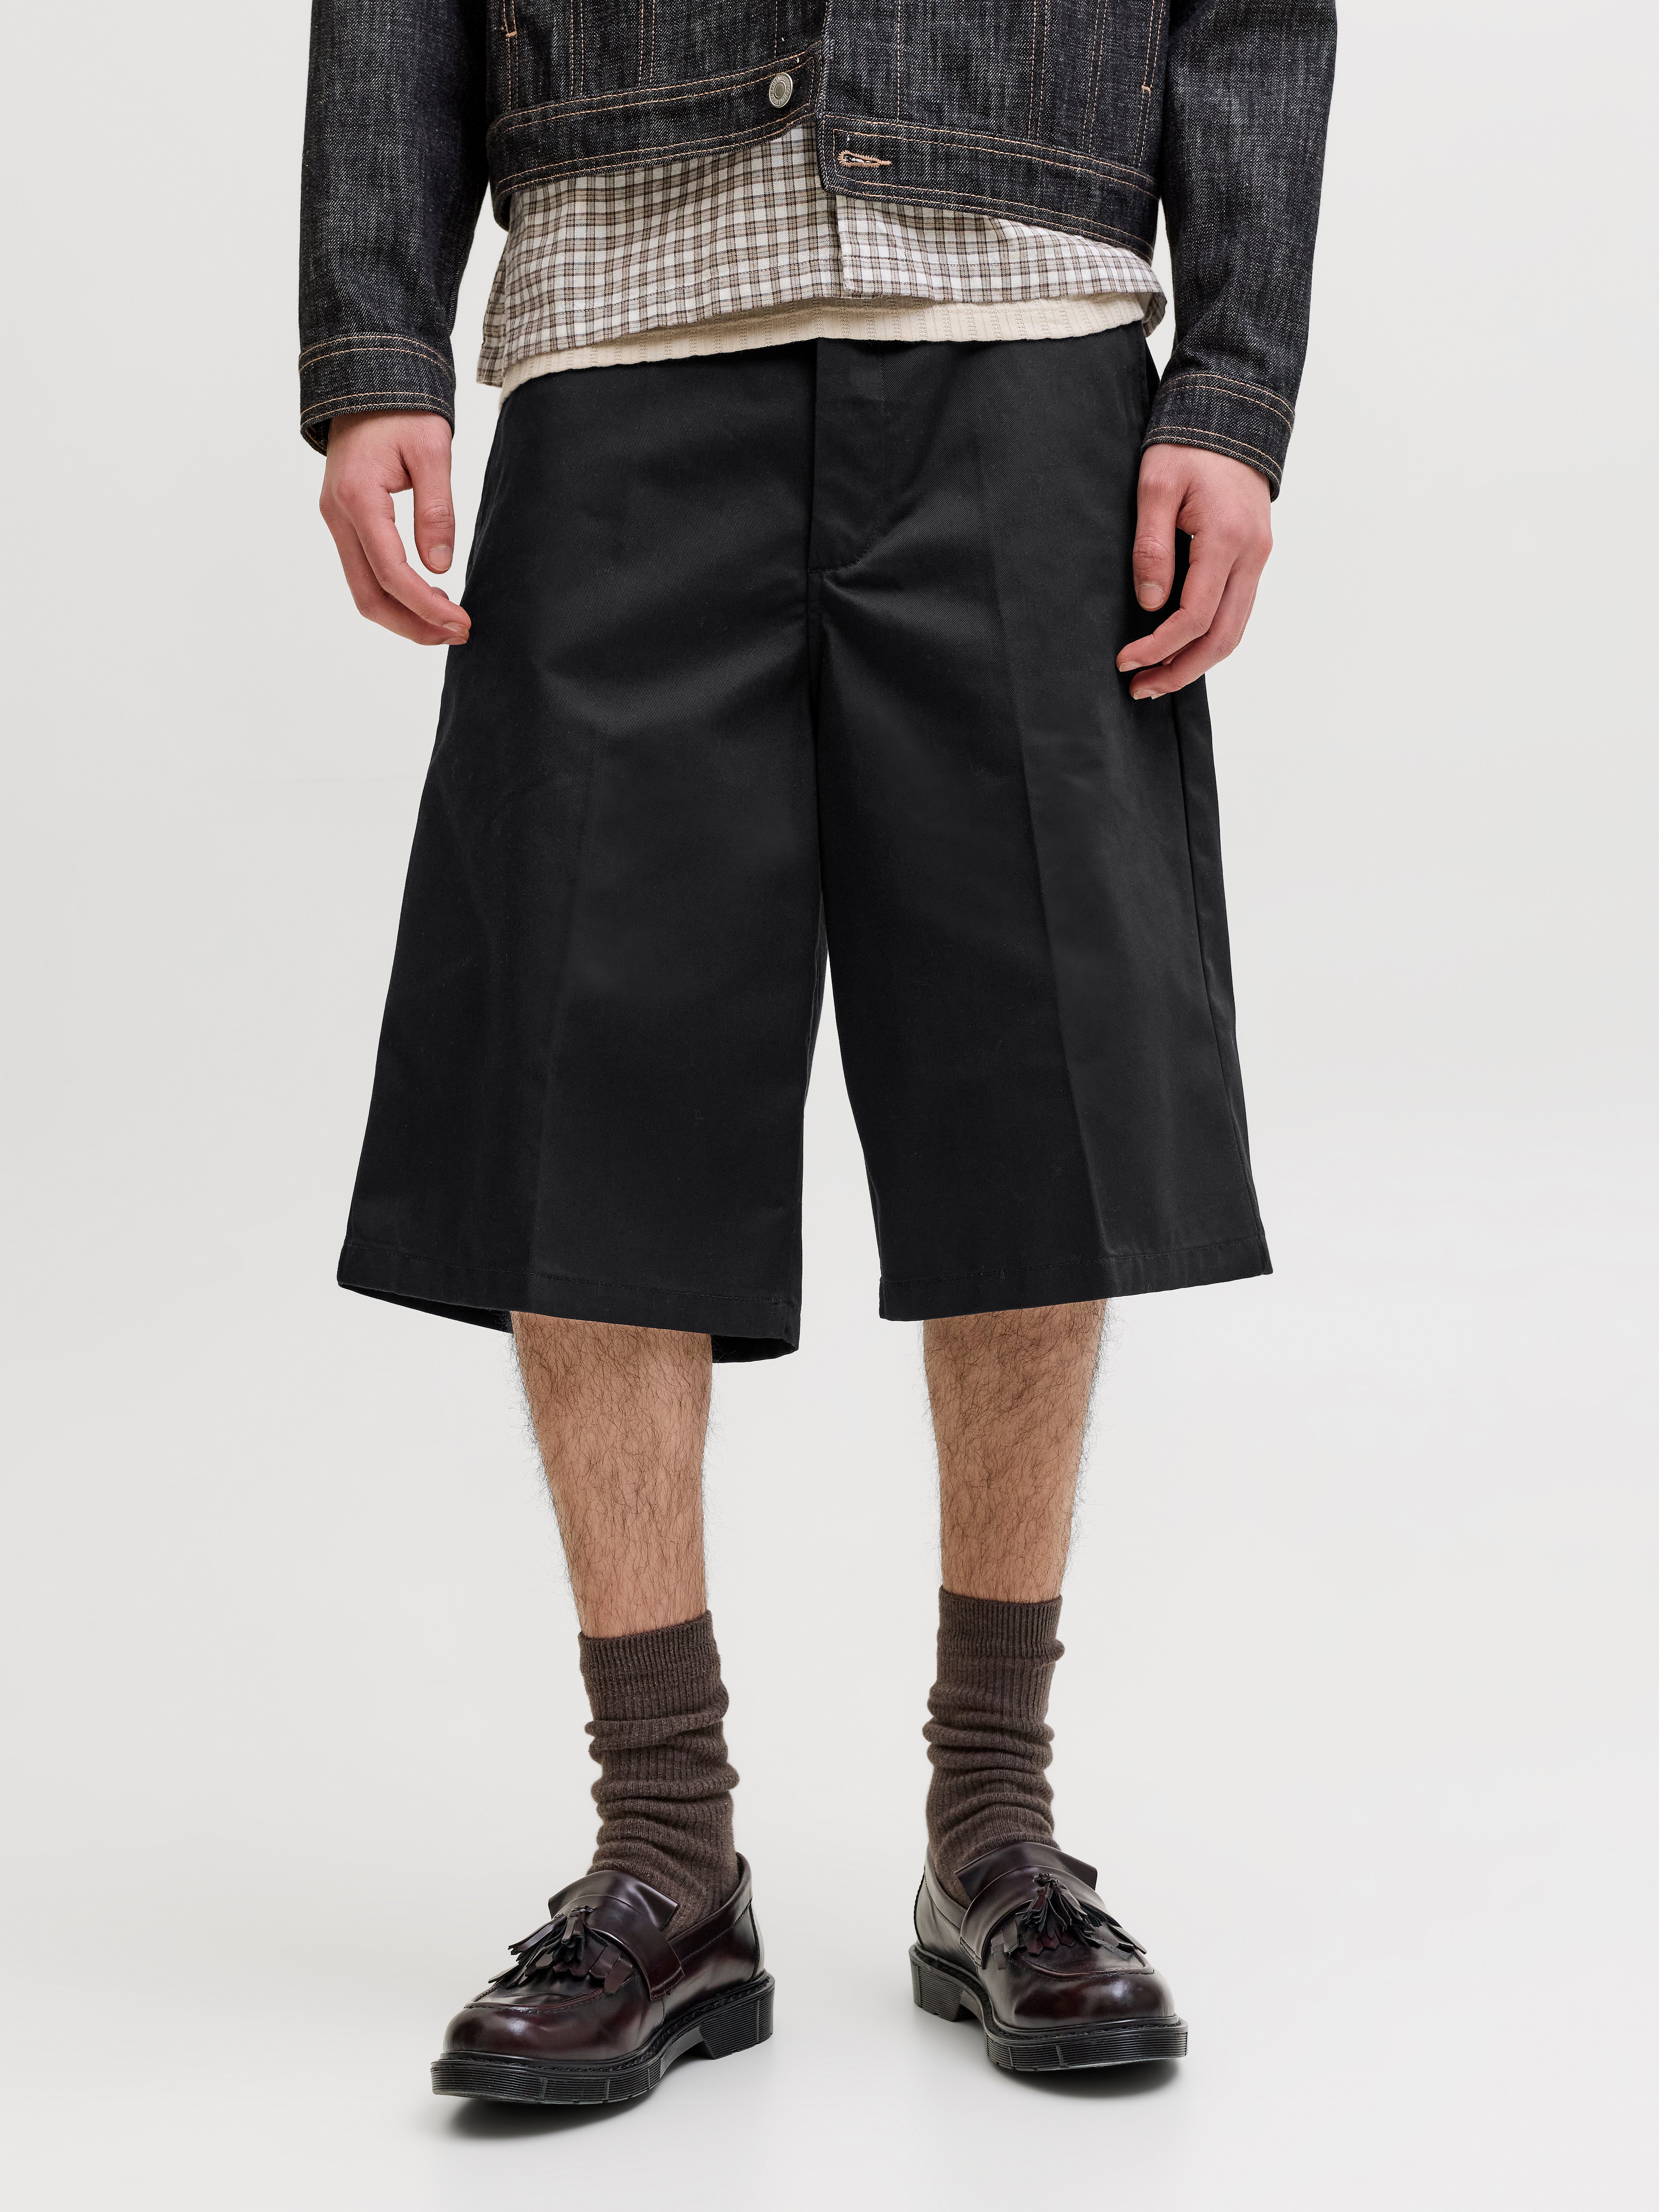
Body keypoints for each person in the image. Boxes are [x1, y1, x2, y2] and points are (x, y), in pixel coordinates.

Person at [299, 0, 1335, 2105]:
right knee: (591, 1086)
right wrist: (373, 342)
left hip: (1026, 333)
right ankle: (664, 1848)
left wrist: (1233, 383)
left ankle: (996, 1830)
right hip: (620, 329)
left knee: (1034, 1085)